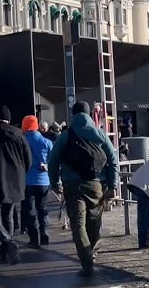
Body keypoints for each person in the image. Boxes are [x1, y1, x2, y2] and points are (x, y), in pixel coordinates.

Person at [48, 101, 119, 277]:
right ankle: (91, 253)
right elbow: (113, 160)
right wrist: (113, 185)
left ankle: (87, 263)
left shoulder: (65, 135)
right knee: (94, 222)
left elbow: (53, 161)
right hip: (96, 184)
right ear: (88, 115)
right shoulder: (100, 134)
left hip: (72, 185)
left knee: (78, 225)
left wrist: (55, 183)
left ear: (73, 115)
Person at [0, 106, 30, 265]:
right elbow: (28, 159)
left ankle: (8, 243)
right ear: (8, 119)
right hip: (16, 180)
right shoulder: (19, 134)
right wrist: (22, 174)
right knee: (8, 215)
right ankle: (7, 252)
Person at [21, 115, 53, 249]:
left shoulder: (21, 142)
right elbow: (53, 160)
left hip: (27, 181)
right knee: (43, 208)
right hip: (44, 181)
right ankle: (44, 234)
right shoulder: (47, 142)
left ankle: (33, 239)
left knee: (29, 210)